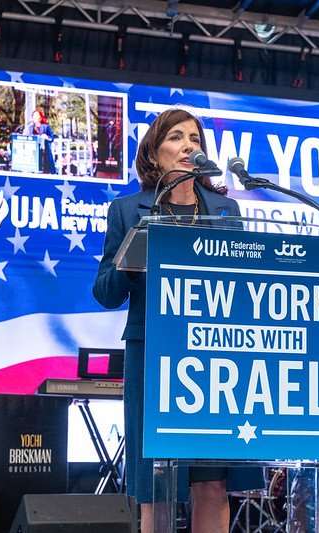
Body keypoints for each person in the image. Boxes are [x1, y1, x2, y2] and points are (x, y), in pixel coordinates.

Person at [93, 108, 262, 532]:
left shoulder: (225, 210)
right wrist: (131, 261)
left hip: (214, 355)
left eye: (195, 138)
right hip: (153, 354)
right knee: (159, 480)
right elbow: (105, 292)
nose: (189, 145)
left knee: (212, 482)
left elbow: (242, 286)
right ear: (154, 152)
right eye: (176, 137)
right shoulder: (128, 211)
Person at [25, 109, 56, 174]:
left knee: (46, 170)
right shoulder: (30, 127)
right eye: (33, 116)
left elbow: (52, 138)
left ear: (40, 117)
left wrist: (46, 137)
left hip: (45, 152)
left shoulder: (46, 127)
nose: (35, 117)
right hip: (34, 153)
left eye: (37, 116)